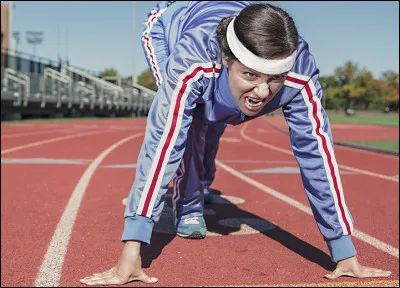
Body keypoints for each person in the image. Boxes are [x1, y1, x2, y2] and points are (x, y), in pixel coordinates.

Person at [80, 1, 392, 285]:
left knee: (217, 119)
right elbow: (163, 144)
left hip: (227, 43)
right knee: (189, 124)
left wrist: (344, 251)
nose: (261, 92)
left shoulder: (301, 74)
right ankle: (188, 205)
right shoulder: (193, 59)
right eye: (251, 76)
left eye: (274, 79)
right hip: (168, 27)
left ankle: (201, 179)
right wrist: (132, 250)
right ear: (229, 61)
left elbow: (318, 156)